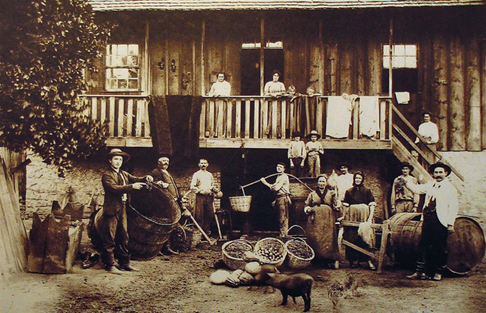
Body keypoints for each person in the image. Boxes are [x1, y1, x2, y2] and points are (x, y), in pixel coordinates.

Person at [99, 148, 153, 274]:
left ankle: (124, 263)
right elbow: (114, 188)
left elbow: (135, 179)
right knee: (110, 237)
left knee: (124, 236)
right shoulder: (107, 175)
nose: (118, 162)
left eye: (120, 159)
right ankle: (110, 264)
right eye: (115, 159)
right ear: (110, 160)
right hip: (112, 209)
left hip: (123, 207)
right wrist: (131, 187)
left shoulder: (123, 174)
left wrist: (146, 178)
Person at [404, 162, 458, 281]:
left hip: (441, 220)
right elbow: (417, 189)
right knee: (423, 245)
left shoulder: (450, 188)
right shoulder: (430, 184)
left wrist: (450, 224)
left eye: (440, 172)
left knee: (439, 247)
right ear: (433, 174)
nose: (438, 175)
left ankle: (438, 272)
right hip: (428, 219)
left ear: (446, 173)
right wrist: (406, 181)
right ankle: (420, 272)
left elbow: (453, 207)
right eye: (436, 172)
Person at [304, 175, 341, 268]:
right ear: (317, 183)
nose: (321, 183)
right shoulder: (312, 194)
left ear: (326, 183)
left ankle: (328, 260)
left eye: (323, 182)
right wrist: (308, 209)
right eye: (320, 181)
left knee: (327, 239)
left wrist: (336, 202)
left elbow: (336, 206)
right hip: (315, 219)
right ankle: (316, 260)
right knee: (316, 238)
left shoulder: (331, 193)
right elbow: (306, 205)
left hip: (327, 219)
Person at [342, 171, 376, 270]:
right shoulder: (349, 191)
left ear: (362, 180)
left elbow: (372, 205)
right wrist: (343, 217)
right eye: (356, 178)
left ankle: (368, 260)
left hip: (363, 217)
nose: (357, 180)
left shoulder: (367, 191)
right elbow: (346, 206)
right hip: (352, 217)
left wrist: (369, 218)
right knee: (351, 236)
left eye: (359, 178)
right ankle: (353, 260)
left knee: (365, 237)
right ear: (354, 179)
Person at [261, 162, 291, 238]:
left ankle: (283, 236)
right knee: (279, 218)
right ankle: (282, 235)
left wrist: (265, 182)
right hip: (279, 198)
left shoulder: (284, 176)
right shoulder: (278, 176)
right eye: (277, 166)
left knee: (282, 218)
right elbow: (274, 186)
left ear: (284, 169)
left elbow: (276, 188)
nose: (278, 168)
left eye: (281, 167)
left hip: (283, 198)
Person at [190, 158, 218, 237]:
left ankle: (206, 233)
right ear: (199, 165)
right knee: (199, 215)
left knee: (209, 215)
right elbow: (192, 186)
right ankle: (199, 234)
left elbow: (212, 185)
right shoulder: (196, 174)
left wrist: (214, 189)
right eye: (201, 163)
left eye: (205, 163)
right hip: (200, 197)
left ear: (207, 164)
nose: (203, 165)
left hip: (209, 197)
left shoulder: (209, 174)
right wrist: (199, 191)